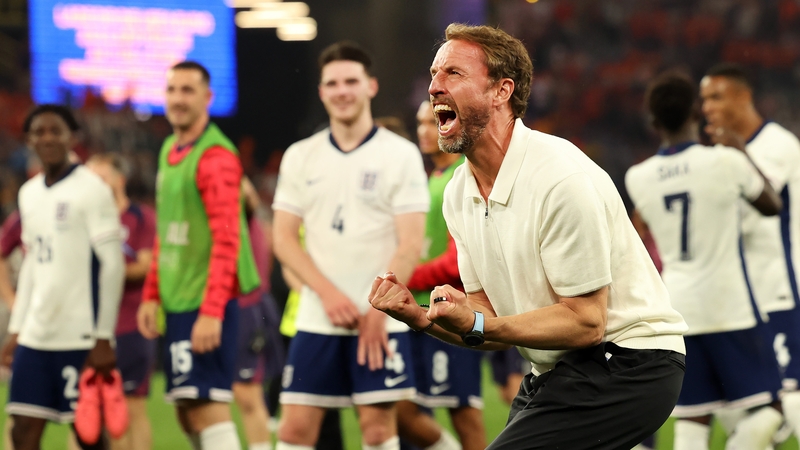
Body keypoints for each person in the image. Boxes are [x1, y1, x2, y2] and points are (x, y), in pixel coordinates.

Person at [368, 24, 688, 449]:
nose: (433, 87)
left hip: (628, 362)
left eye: (453, 74)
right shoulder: (458, 193)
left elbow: (586, 322)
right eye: (433, 74)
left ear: (502, 90)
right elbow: (485, 316)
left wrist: (481, 321)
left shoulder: (560, 179)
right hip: (559, 370)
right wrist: (420, 316)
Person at [272, 41, 429, 450]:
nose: (342, 91)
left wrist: (381, 307)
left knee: (378, 431)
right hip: (317, 316)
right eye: (333, 83)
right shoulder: (300, 156)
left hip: (379, 320)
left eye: (351, 81)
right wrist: (326, 294)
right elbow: (283, 238)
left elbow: (411, 242)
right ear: (322, 91)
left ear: (371, 87)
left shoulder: (401, 154)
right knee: (292, 431)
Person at [626, 71, 785, 450]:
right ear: (696, 114)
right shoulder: (724, 162)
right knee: (770, 411)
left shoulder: (638, 177)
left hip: (678, 310)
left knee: (693, 416)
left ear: (653, 123)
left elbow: (639, 233)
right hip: (731, 306)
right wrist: (740, 151)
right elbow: (771, 205)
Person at [137, 61, 261, 450]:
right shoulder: (169, 150)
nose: (178, 98)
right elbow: (167, 231)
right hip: (178, 299)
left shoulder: (217, 158)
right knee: (188, 408)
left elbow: (228, 241)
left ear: (208, 97)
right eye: (172, 89)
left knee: (207, 406)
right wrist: (152, 293)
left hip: (206, 302)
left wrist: (212, 310)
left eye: (188, 90)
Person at [0, 104, 125, 450]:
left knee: (88, 437)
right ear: (28, 140)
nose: (48, 138)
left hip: (80, 337)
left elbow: (112, 265)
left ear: (72, 137)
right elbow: (32, 265)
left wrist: (103, 336)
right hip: (36, 337)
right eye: (39, 132)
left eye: (56, 130)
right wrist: (16, 329)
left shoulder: (92, 190)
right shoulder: (29, 194)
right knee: (22, 431)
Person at [700, 63, 800, 440]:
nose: (707, 106)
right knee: (743, 404)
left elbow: (766, 199)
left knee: (790, 399)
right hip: (744, 300)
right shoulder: (725, 154)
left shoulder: (777, 144)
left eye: (716, 97)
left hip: (782, 292)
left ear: (743, 97)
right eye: (704, 99)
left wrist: (736, 153)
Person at [396, 100, 484, 450]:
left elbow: (458, 258)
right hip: (418, 310)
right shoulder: (431, 179)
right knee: (404, 409)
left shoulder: (461, 177)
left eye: (433, 122)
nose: (424, 131)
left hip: (450, 308)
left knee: (463, 413)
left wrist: (409, 275)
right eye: (419, 123)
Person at [86, 153, 156, 450]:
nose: (94, 185)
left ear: (120, 180)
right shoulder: (83, 219)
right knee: (86, 408)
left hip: (130, 323)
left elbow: (146, 265)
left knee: (132, 407)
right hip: (87, 326)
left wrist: (107, 272)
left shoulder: (140, 218)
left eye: (101, 178)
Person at [233, 176, 281, 450]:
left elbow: (246, 195)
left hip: (248, 306)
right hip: (242, 305)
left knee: (248, 393)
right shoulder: (254, 225)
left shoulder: (247, 218)